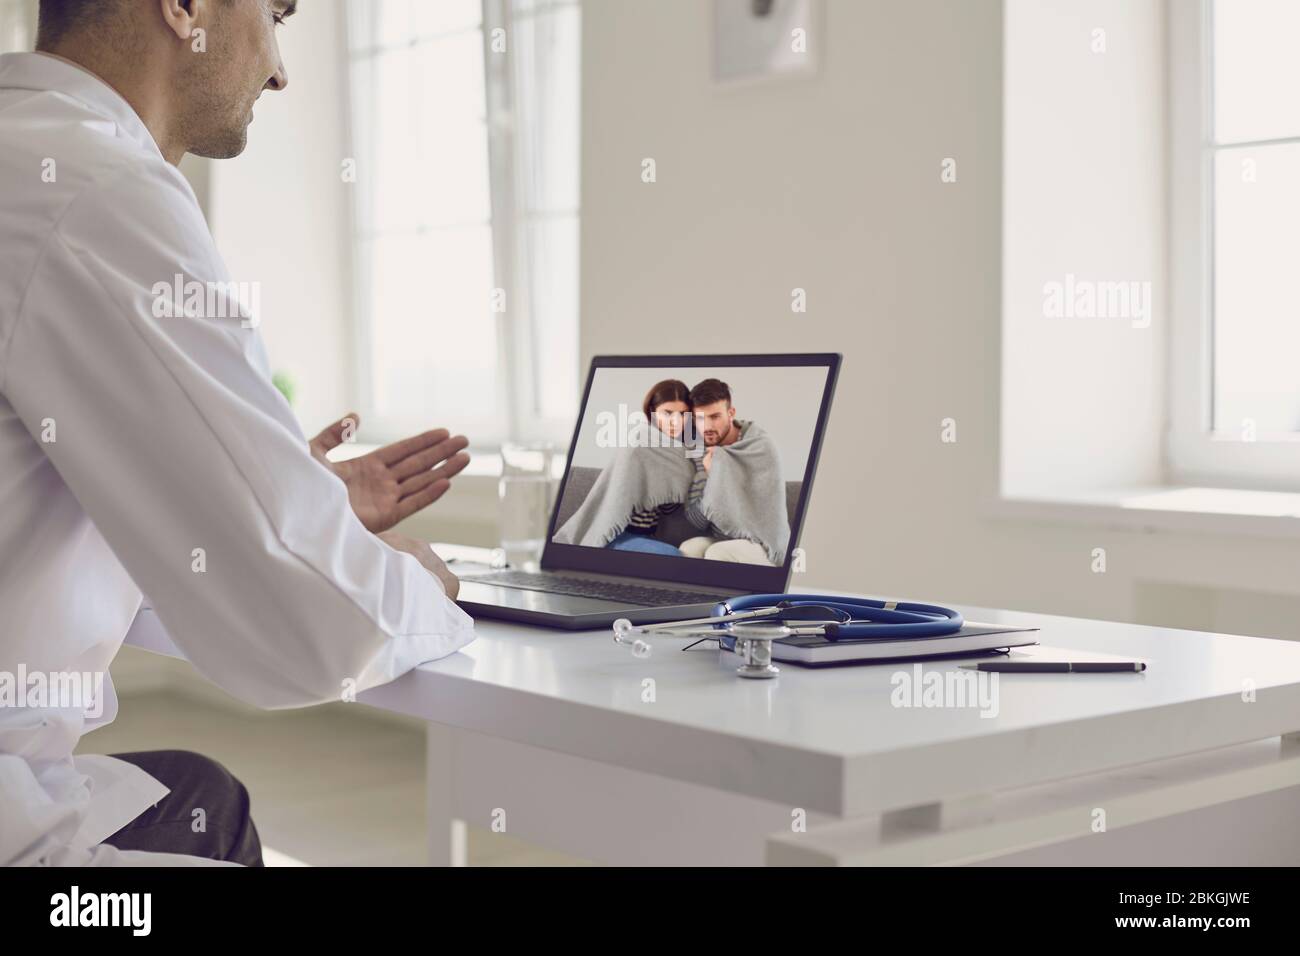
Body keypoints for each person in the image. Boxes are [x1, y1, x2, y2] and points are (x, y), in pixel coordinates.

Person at [0, 0, 475, 866]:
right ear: (186, 9)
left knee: (201, 796)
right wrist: (413, 584)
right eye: (277, 13)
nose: (282, 67)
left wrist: (267, 502)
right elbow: (309, 631)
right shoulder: (97, 183)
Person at [678, 379, 781, 565]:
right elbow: (697, 522)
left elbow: (761, 518)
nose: (707, 426)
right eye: (700, 418)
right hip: (723, 540)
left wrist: (721, 474)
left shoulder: (758, 446)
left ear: (731, 413)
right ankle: (694, 596)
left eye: (715, 416)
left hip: (762, 544)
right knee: (689, 549)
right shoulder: (699, 453)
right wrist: (712, 478)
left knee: (718, 552)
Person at [606, 379, 694, 557]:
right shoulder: (640, 443)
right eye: (667, 413)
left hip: (645, 537)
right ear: (653, 412)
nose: (675, 421)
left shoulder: (676, 451)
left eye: (683, 414)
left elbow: (667, 509)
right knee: (675, 556)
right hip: (616, 535)